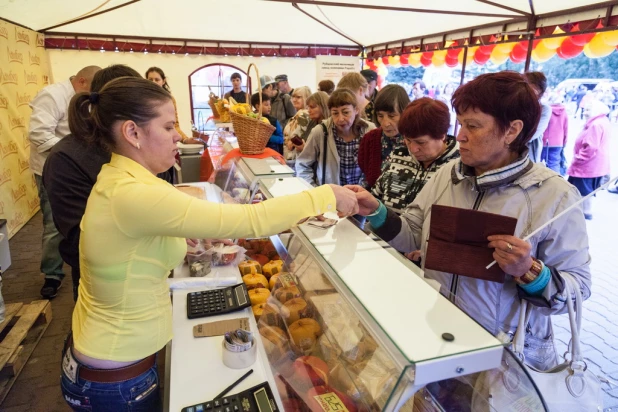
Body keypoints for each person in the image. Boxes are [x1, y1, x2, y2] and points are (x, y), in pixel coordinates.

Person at [60, 77, 358, 411]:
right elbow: (251, 221)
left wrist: (176, 237)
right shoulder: (133, 193)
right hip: (118, 376)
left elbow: (131, 247)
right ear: (132, 132)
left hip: (113, 358)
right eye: (169, 125)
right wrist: (325, 195)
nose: (178, 135)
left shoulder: (123, 178)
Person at [349, 72, 591, 376]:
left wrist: (530, 271)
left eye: (473, 126)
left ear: (512, 131)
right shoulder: (446, 175)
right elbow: (413, 236)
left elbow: (578, 290)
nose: (460, 135)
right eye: (460, 123)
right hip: (435, 336)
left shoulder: (553, 196)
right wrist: (377, 211)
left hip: (502, 360)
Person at [42, 64, 173, 302]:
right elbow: (80, 243)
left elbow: (164, 199)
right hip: (107, 293)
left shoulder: (142, 146)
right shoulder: (66, 159)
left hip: (152, 277)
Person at [28, 65, 101, 299]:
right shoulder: (52, 95)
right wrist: (73, 154)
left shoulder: (83, 97)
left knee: (79, 224)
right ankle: (52, 274)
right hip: (53, 168)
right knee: (54, 225)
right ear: (81, 81)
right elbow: (38, 133)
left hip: (77, 167)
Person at [370, 97, 459, 214]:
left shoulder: (458, 167)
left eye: (421, 142)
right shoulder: (399, 154)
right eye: (408, 140)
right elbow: (376, 195)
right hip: (385, 230)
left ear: (442, 136)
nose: (413, 149)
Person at [296, 89, 376, 186]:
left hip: (362, 195)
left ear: (356, 110)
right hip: (331, 196)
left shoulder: (370, 131)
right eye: (335, 113)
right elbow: (302, 164)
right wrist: (314, 189)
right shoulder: (320, 132)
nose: (340, 119)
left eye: (346, 112)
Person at [357, 85, 410, 189]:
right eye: (380, 116)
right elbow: (365, 179)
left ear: (405, 113)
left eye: (392, 116)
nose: (385, 123)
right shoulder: (370, 139)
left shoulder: (415, 142)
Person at [567, 100, 612, 218]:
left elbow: (591, 147)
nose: (585, 112)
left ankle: (584, 212)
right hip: (595, 164)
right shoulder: (602, 121)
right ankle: (582, 211)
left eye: (588, 110)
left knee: (583, 190)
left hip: (588, 165)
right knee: (586, 189)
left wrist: (578, 158)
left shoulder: (595, 125)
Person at [145, 67, 195, 144]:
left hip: (166, 142)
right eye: (150, 80)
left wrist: (185, 139)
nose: (154, 82)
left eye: (157, 79)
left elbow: (174, 125)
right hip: (147, 142)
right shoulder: (142, 99)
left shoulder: (170, 100)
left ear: (163, 81)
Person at [524, 72, 551, 163]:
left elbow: (531, 135)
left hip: (528, 156)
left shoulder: (544, 109)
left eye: (532, 90)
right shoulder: (513, 105)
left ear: (541, 92)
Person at [541, 94, 569, 175]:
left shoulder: (545, 110)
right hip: (558, 142)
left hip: (544, 141)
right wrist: (564, 142)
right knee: (554, 164)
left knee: (537, 162)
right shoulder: (564, 112)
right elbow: (566, 129)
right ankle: (554, 182)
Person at [283, 86, 312, 161]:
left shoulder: (303, 114)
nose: (294, 100)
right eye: (293, 97)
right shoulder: (300, 113)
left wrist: (290, 142)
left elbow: (294, 139)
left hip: (295, 157)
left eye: (298, 97)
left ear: (306, 98)